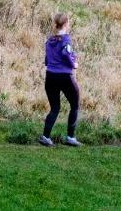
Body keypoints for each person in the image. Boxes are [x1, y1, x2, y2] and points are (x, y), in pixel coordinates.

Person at [39, 12, 81, 147]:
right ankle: (70, 137)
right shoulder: (66, 40)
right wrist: (73, 64)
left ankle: (45, 137)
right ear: (66, 24)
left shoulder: (49, 41)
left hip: (50, 76)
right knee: (75, 105)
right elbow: (66, 54)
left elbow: (46, 60)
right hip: (65, 77)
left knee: (55, 108)